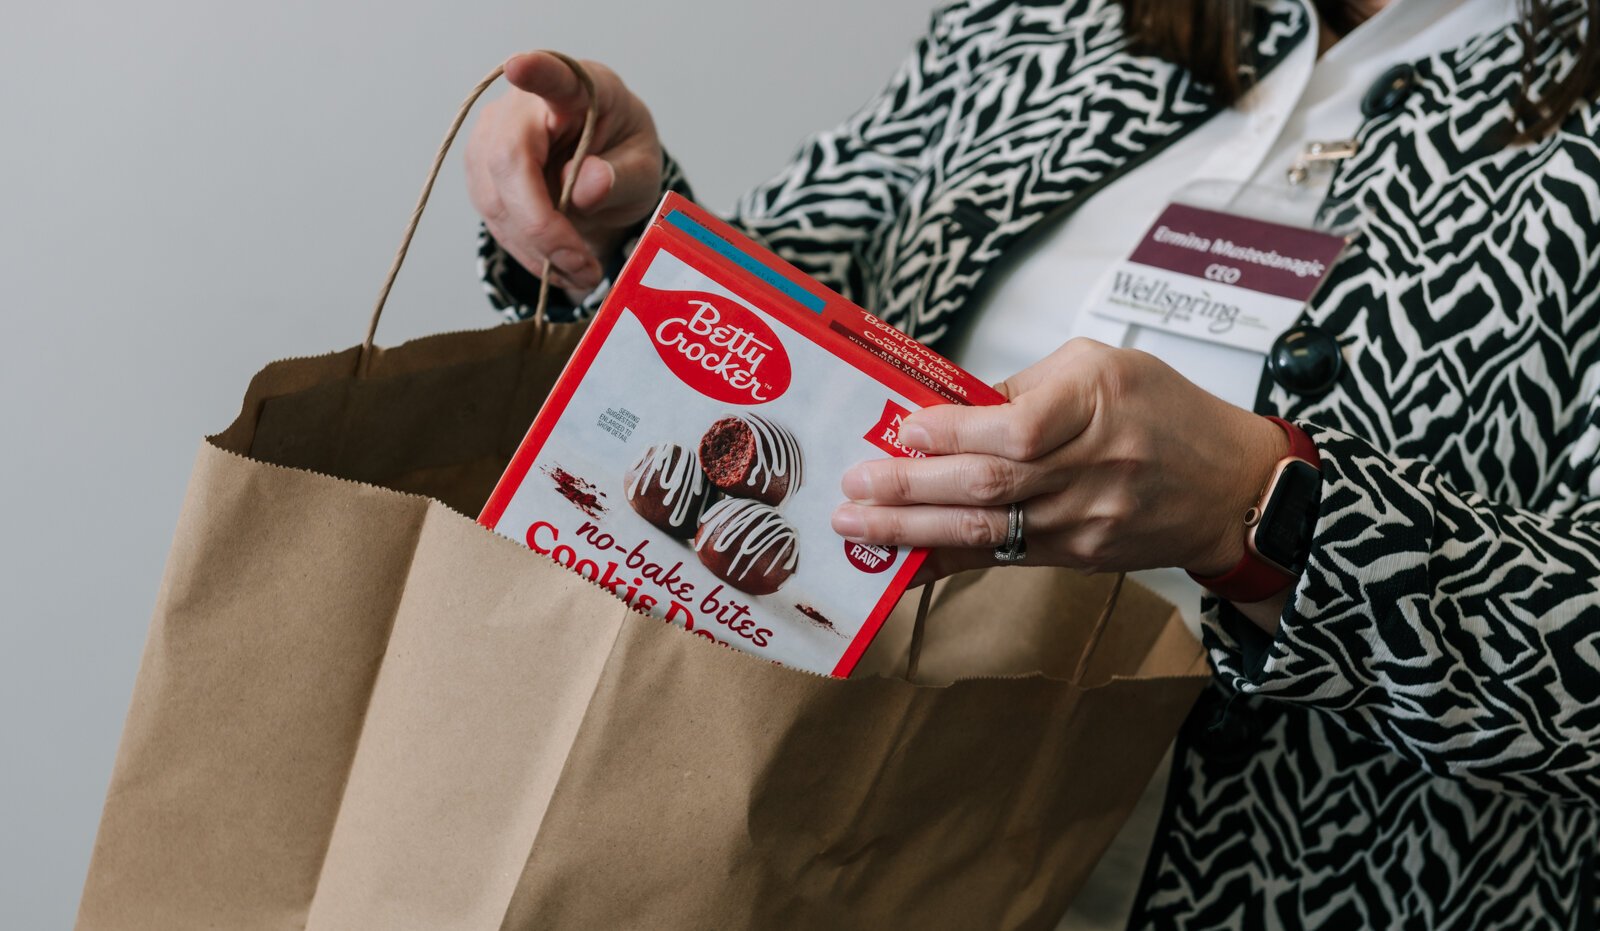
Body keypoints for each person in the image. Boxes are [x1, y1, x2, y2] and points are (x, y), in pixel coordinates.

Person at [465, 0, 1600, 926]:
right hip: (820, 853)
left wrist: (1262, 514)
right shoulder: (1044, 22)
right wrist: (617, 230)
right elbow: (802, 339)